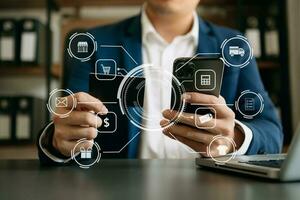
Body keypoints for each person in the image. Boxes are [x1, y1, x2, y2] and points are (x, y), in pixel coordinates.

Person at [38, 0, 283, 164]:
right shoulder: (93, 43)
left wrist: (235, 138)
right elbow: (65, 123)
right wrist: (58, 141)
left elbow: (271, 131)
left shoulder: (234, 45)